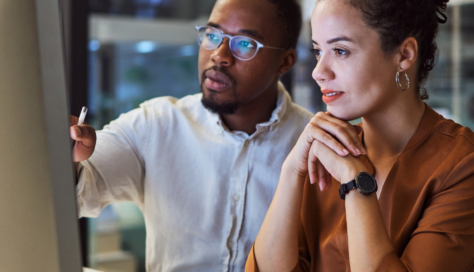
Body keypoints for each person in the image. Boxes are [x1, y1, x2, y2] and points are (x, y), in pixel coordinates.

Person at [68, 0, 359, 270]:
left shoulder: (317, 148)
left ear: (285, 62)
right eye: (212, 35)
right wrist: (70, 157)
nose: (219, 55)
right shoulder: (155, 125)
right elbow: (79, 193)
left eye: (244, 44)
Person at [247, 0, 474, 271]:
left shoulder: (470, 166)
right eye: (317, 51)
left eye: (340, 50)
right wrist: (291, 171)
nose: (318, 72)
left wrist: (355, 183)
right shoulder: (325, 153)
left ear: (404, 55)